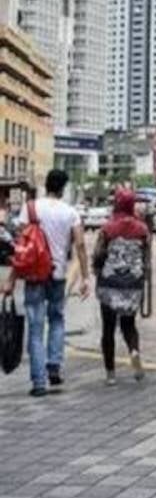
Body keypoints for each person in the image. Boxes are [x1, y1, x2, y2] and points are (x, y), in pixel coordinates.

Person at [1, 170, 90, 397]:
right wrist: (86, 277)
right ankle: (54, 366)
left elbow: (22, 249)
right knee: (57, 319)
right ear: (62, 188)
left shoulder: (30, 208)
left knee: (36, 326)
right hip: (58, 274)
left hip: (33, 275)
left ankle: (38, 382)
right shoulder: (70, 212)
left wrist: (11, 280)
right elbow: (80, 245)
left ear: (46, 185)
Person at [91, 189, 149, 386]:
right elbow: (146, 259)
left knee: (108, 328)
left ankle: (110, 374)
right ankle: (134, 351)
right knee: (129, 325)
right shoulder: (142, 229)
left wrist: (96, 270)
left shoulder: (108, 228)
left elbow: (99, 255)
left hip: (110, 284)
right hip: (133, 283)